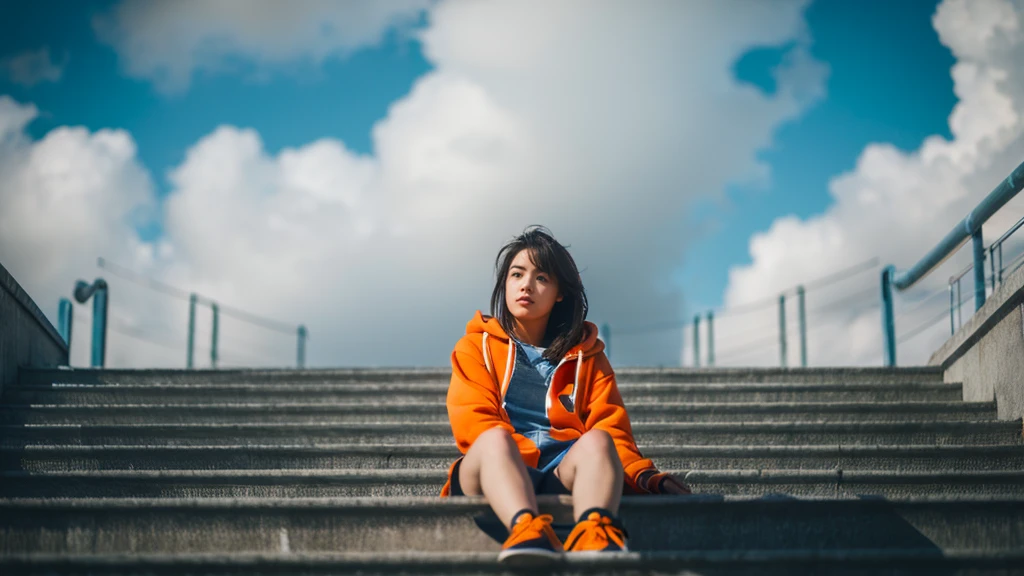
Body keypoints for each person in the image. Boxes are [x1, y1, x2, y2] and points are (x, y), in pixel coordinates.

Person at [441, 225, 690, 563]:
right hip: (495, 473)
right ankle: (526, 530)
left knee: (599, 440)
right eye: (517, 274)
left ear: (560, 292)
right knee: (495, 439)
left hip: (562, 475)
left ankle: (595, 532)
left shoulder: (588, 357)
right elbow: (473, 422)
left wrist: (645, 477)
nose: (526, 285)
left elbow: (613, 432)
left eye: (541, 278)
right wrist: (519, 456)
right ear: (505, 284)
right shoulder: (475, 347)